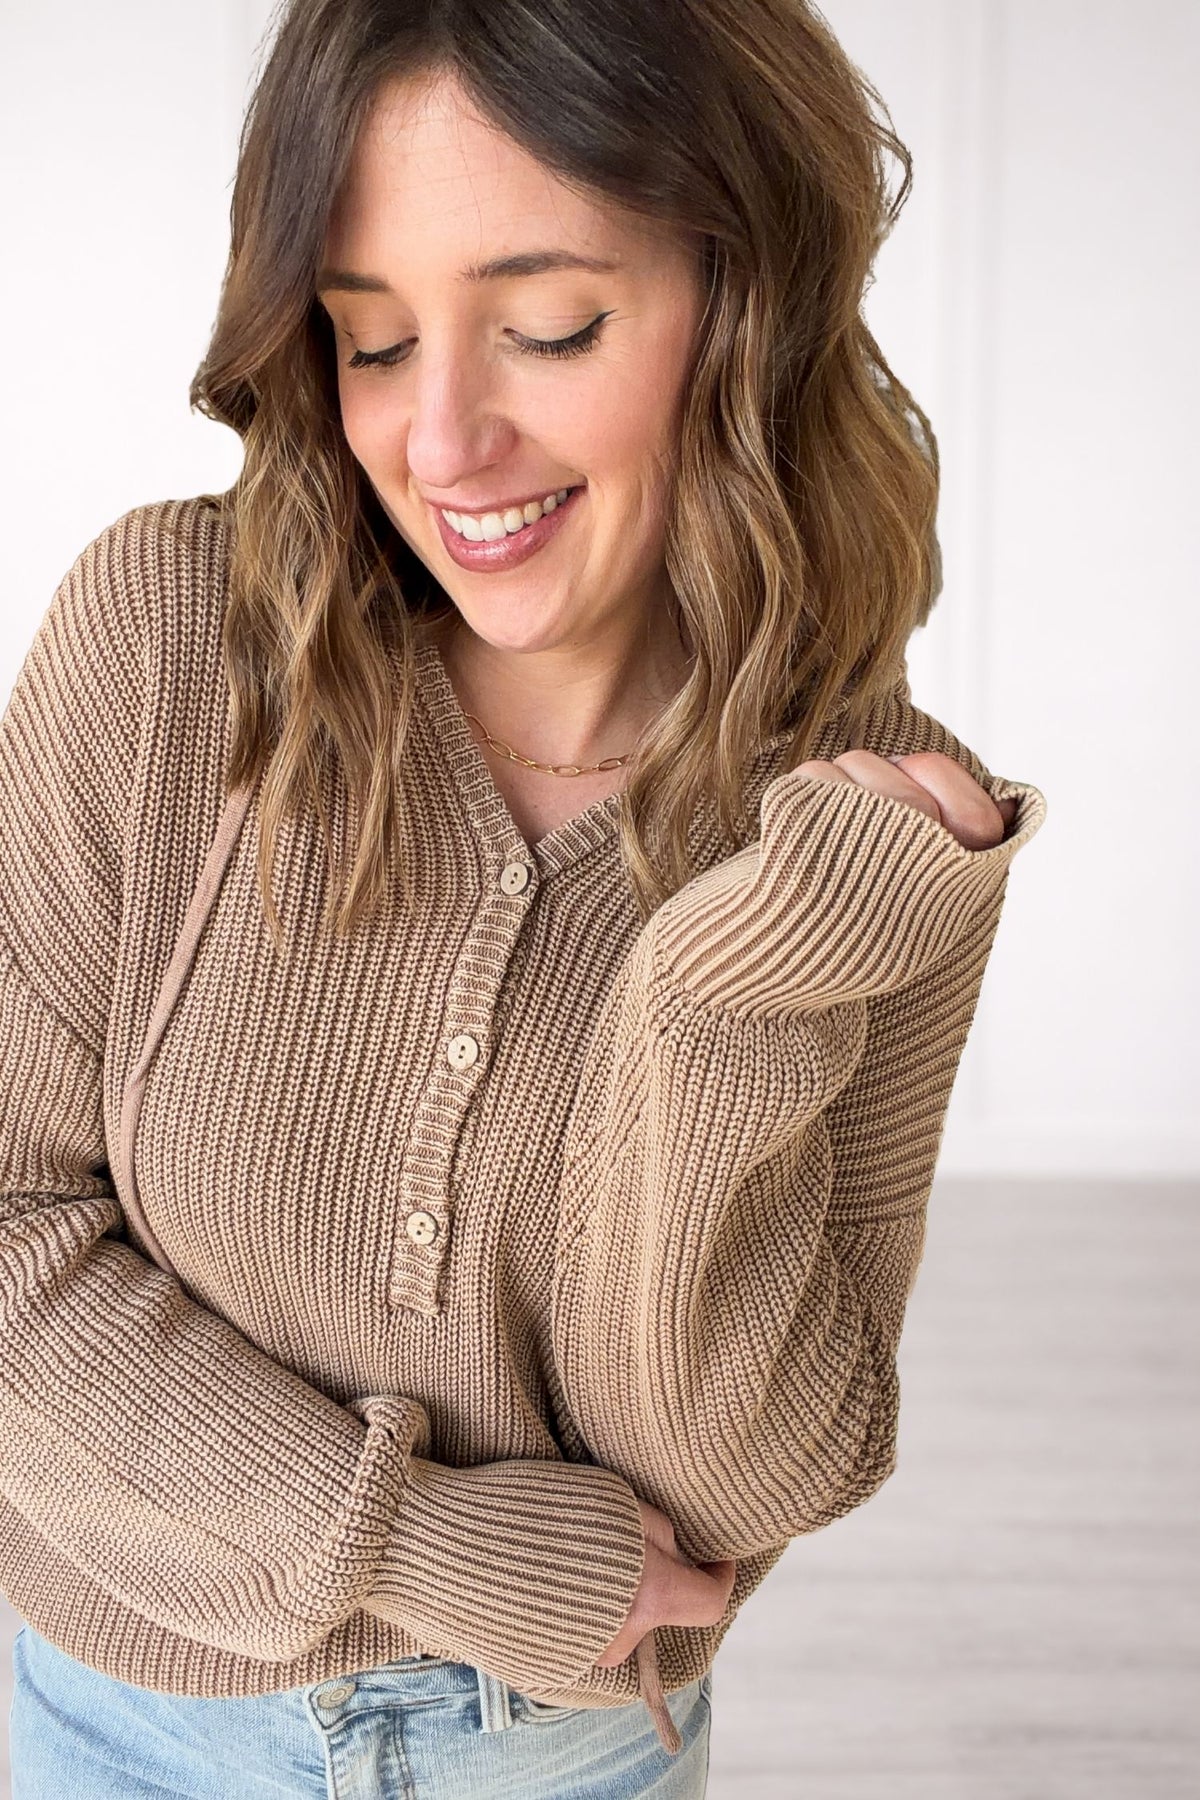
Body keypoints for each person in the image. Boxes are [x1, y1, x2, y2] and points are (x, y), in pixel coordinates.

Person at [0, 1, 1047, 1795]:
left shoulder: (861, 835)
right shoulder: (170, 650)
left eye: (550, 326)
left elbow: (744, 1482)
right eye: (374, 341)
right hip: (112, 1710)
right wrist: (425, 1544)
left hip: (561, 1757)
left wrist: (729, 1004)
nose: (447, 442)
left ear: (746, 301)